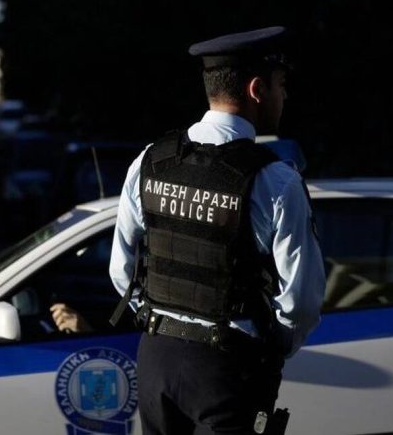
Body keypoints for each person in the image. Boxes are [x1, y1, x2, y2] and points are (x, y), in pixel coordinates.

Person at [109, 26, 326, 435]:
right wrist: (271, 345)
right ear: (257, 89)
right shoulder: (276, 181)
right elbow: (301, 302)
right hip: (226, 368)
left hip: (155, 358)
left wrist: (160, 320)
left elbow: (121, 272)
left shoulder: (150, 161)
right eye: (281, 86)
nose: (285, 97)